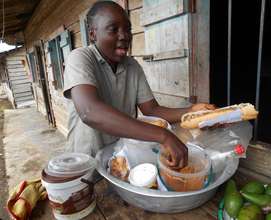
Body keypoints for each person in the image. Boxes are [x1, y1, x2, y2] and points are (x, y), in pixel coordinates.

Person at [63, 1, 215, 170]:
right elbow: (89, 111)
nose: (124, 36)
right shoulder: (80, 58)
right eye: (113, 29)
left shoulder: (132, 66)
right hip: (86, 167)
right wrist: (163, 136)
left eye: (127, 29)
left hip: (121, 160)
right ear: (93, 34)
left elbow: (152, 110)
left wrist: (190, 112)